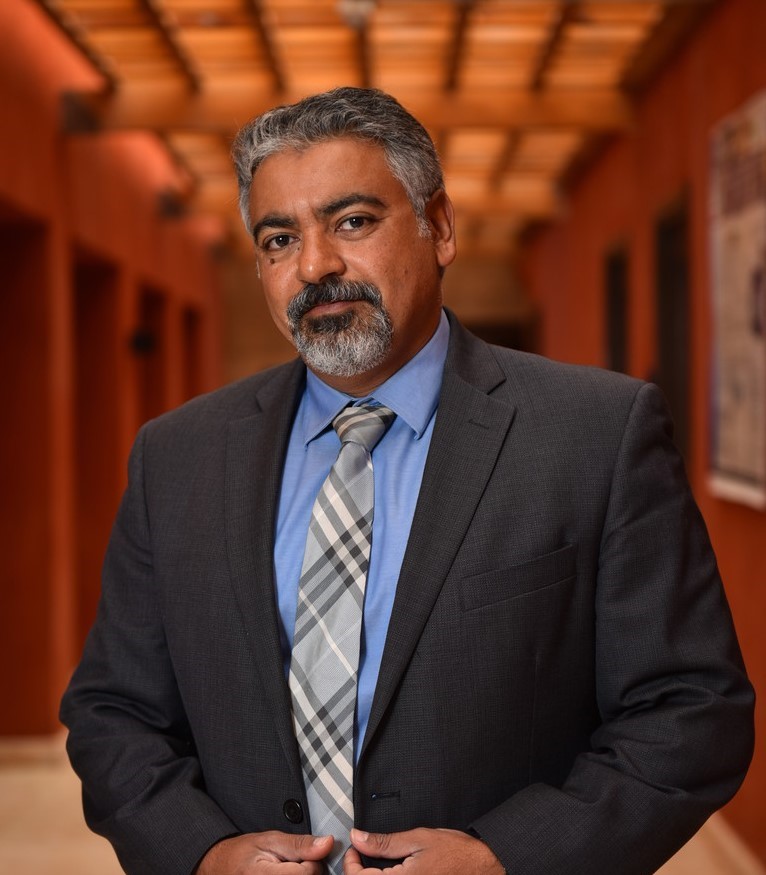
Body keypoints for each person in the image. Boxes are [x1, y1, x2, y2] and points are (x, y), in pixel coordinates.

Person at [61, 87, 754, 875]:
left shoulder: (596, 434)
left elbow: (692, 711)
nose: (315, 265)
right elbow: (112, 710)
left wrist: (506, 858)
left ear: (441, 227)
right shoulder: (175, 456)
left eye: (352, 221)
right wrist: (203, 853)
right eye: (279, 237)